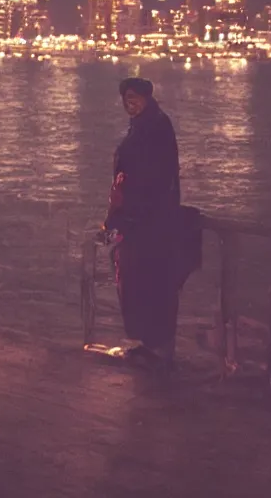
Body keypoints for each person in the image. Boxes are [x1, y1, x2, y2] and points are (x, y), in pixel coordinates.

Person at [104, 77, 183, 370]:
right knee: (142, 284)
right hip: (143, 221)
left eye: (134, 97)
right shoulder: (146, 125)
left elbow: (150, 178)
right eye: (126, 98)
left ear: (148, 97)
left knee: (150, 283)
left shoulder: (154, 127)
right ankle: (149, 343)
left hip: (148, 222)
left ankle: (158, 346)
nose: (129, 102)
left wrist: (129, 216)